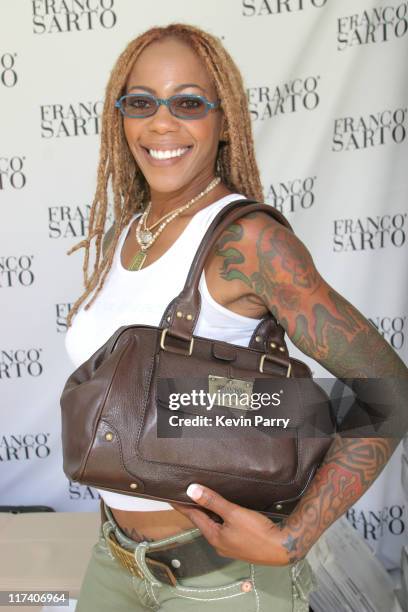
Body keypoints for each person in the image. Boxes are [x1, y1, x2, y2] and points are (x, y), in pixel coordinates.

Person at [64, 22, 407, 612]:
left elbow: (389, 392)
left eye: (189, 103)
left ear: (224, 122)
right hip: (116, 561)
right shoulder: (129, 233)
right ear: (120, 117)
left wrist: (295, 536)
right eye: (141, 102)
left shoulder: (248, 242)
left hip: (223, 582)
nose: (162, 123)